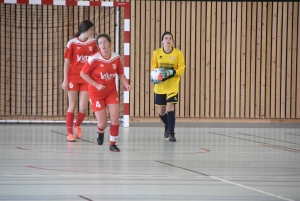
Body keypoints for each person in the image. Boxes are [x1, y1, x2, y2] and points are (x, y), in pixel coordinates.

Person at [80, 33, 131, 152]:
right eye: (100, 43)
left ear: (110, 44)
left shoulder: (116, 57)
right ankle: (100, 130)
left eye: (105, 42)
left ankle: (113, 143)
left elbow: (120, 74)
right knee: (103, 123)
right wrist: (97, 85)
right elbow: (83, 74)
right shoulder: (93, 59)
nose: (103, 45)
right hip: (96, 93)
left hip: (111, 92)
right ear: (98, 46)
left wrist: (126, 84)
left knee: (115, 117)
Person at [62, 20, 98, 142]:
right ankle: (69, 133)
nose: (93, 32)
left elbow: (95, 61)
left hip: (86, 78)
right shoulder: (71, 43)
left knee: (83, 107)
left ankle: (77, 125)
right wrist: (65, 80)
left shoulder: (93, 43)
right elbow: (66, 63)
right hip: (73, 77)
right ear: (85, 30)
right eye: (91, 30)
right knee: (72, 105)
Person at [150, 31, 186, 142]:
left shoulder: (178, 53)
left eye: (170, 38)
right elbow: (153, 69)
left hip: (172, 86)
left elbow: (181, 69)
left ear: (173, 41)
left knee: (170, 108)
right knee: (161, 112)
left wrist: (171, 72)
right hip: (160, 87)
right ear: (162, 41)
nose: (168, 40)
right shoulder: (156, 53)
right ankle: (167, 125)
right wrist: (157, 76)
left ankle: (171, 133)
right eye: (166, 38)